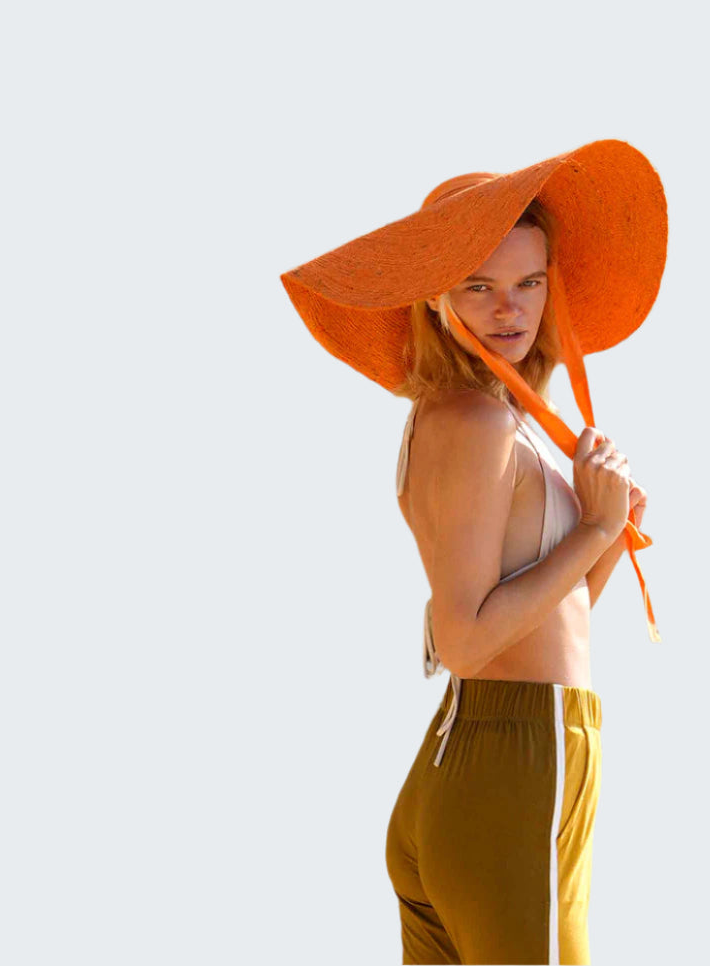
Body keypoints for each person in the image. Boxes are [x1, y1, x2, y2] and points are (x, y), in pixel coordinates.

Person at [280, 140, 668, 965]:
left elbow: (534, 624)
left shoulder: (463, 417)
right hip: (518, 766)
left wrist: (604, 531)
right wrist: (592, 530)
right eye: (479, 286)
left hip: (471, 767)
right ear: (436, 298)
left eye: (529, 282)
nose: (509, 308)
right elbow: (464, 641)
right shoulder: (478, 424)